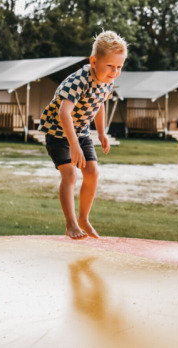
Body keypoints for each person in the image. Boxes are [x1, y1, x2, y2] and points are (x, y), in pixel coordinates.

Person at [38, 31, 127, 240]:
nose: (115, 72)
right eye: (110, 66)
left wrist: (102, 132)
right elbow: (63, 113)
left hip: (81, 131)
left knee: (93, 172)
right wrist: (74, 145)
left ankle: (84, 218)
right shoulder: (78, 80)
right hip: (58, 132)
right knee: (70, 175)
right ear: (94, 61)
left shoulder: (107, 81)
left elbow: (100, 104)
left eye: (119, 67)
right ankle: (71, 224)